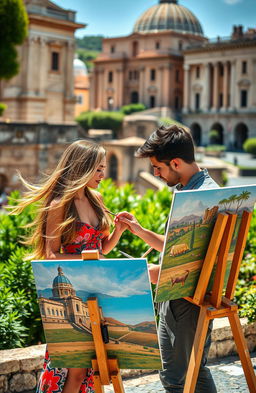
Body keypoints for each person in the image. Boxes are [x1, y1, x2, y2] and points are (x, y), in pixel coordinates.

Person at [11, 140, 127, 393]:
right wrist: (93, 259)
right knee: (75, 370)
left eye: (103, 168)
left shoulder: (97, 199)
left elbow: (102, 248)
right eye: (98, 169)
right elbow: (52, 256)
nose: (102, 175)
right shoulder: (59, 206)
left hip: (96, 293)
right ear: (82, 168)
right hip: (73, 292)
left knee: (94, 368)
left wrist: (118, 230)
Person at [115, 125, 218, 393]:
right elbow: (179, 249)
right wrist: (140, 231)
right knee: (191, 371)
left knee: (175, 377)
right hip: (178, 295)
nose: (156, 174)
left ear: (175, 162)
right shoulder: (197, 190)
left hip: (186, 299)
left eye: (158, 168)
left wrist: (153, 272)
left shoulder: (199, 198)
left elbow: (197, 263)